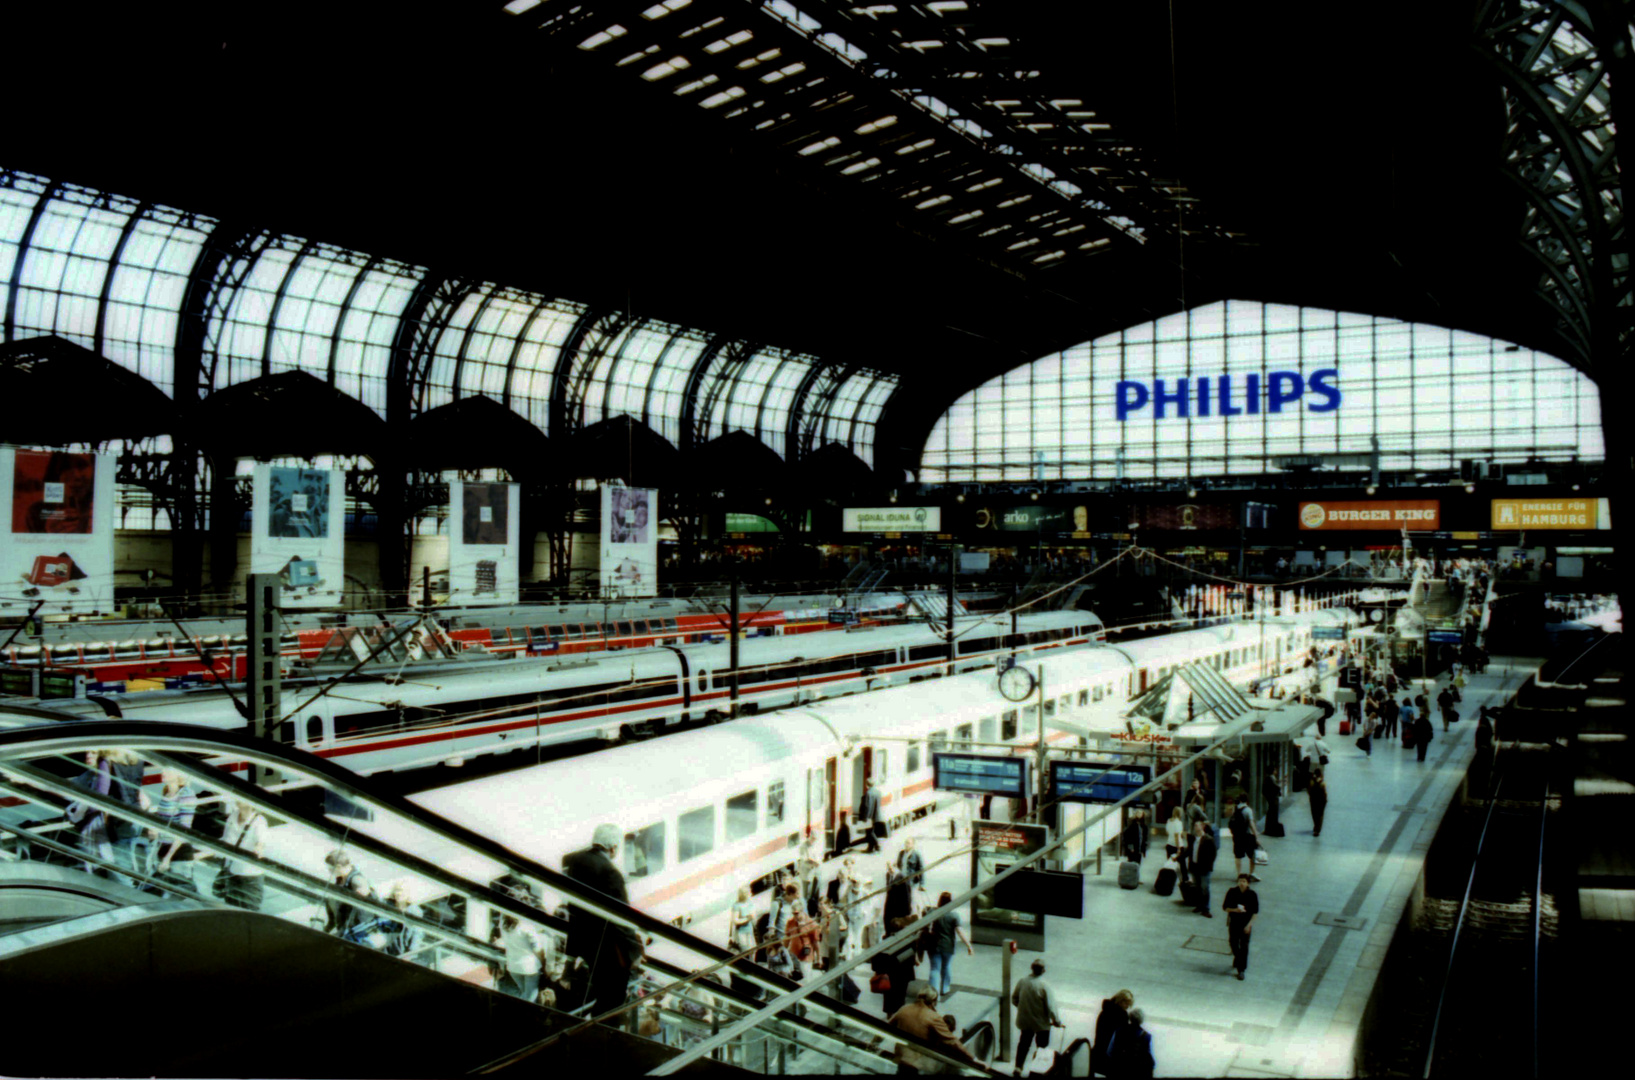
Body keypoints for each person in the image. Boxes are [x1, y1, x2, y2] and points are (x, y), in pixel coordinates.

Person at [563, 823, 644, 1015]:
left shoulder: (576, 862)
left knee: (600, 992)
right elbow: (622, 917)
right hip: (608, 947)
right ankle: (602, 1034)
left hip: (585, 942)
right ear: (613, 848)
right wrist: (635, 951)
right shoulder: (611, 873)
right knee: (613, 999)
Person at [889, 985, 981, 1074]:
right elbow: (952, 1041)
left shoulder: (904, 1009)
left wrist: (874, 1044)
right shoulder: (934, 1017)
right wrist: (974, 1059)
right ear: (933, 1001)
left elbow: (888, 1027)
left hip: (902, 1060)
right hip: (919, 1065)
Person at [211, 798, 267, 910]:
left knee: (250, 912)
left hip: (250, 876)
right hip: (233, 872)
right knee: (231, 910)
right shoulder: (233, 816)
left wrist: (259, 848)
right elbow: (226, 839)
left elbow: (261, 841)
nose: (238, 799)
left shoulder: (259, 821)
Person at [1012, 958, 1064, 1073]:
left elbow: (1014, 999)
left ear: (1031, 968)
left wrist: (1024, 1008)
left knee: (1024, 1044)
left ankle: (1018, 1067)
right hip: (1041, 1024)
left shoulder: (1022, 981)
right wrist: (1057, 1021)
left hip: (1025, 1021)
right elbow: (1051, 1008)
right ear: (1044, 970)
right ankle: (1036, 1070)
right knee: (1042, 1048)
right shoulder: (1044, 986)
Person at [925, 891, 973, 998]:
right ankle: (945, 988)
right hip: (948, 946)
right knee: (946, 966)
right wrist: (969, 946)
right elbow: (960, 932)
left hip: (934, 945)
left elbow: (924, 924)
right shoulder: (954, 916)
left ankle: (933, 993)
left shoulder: (933, 912)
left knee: (934, 969)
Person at [496, 914, 546, 1001]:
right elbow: (537, 949)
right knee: (530, 997)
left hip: (512, 965)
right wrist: (542, 964)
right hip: (530, 967)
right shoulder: (526, 925)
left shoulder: (502, 920)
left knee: (524, 993)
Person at [1223, 874, 1260, 980]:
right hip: (1234, 922)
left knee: (1244, 946)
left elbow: (1255, 912)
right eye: (1240, 881)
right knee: (1233, 942)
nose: (1241, 883)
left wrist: (1249, 925)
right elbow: (1225, 907)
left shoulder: (1252, 895)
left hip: (1245, 923)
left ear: (1248, 883)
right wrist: (1235, 910)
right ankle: (1238, 959)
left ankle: (1241, 969)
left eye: (1244, 881)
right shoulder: (1232, 892)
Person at [1092, 989, 1133, 1077]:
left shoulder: (1104, 1011)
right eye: (1127, 1004)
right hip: (1111, 1057)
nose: (1127, 1007)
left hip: (1098, 1052)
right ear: (1121, 1001)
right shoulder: (1122, 1015)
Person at [1109, 1008, 1155, 1079]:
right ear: (1141, 1020)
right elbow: (1150, 1058)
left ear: (1130, 1017)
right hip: (1136, 1072)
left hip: (1119, 1069)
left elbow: (1109, 1052)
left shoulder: (1118, 1031)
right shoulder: (1146, 1036)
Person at [1227, 798, 1260, 882]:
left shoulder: (1235, 808)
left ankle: (1239, 874)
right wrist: (1256, 834)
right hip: (1247, 836)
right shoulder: (1248, 810)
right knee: (1252, 855)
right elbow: (1251, 823)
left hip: (1237, 836)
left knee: (1238, 855)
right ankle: (1251, 873)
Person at [1189, 819, 1216, 917]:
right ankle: (1199, 905)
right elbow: (1189, 851)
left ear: (1202, 827)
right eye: (1195, 825)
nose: (1195, 827)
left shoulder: (1208, 839)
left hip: (1204, 868)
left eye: (1197, 825)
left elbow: (1213, 854)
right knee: (1198, 887)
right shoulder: (1193, 839)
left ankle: (1206, 908)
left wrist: (1209, 866)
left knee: (1205, 888)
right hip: (1195, 866)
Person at [729, 884, 756, 956]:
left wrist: (751, 917)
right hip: (741, 932)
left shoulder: (750, 903)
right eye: (749, 892)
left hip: (750, 930)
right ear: (744, 894)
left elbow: (753, 914)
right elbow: (735, 920)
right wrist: (747, 919)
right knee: (744, 951)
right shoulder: (737, 905)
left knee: (753, 950)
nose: (751, 894)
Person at [858, 779, 883, 854]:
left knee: (870, 832)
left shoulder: (868, 793)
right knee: (871, 831)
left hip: (869, 817)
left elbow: (867, 806)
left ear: (867, 784)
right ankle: (870, 848)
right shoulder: (878, 792)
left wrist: (865, 818)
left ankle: (877, 845)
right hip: (876, 816)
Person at [1307, 768, 1328, 837]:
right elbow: (1325, 792)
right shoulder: (1322, 782)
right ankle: (1317, 829)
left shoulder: (1312, 781)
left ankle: (1316, 826)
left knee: (1314, 813)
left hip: (1313, 800)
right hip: (1321, 800)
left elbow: (1309, 790)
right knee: (1320, 814)